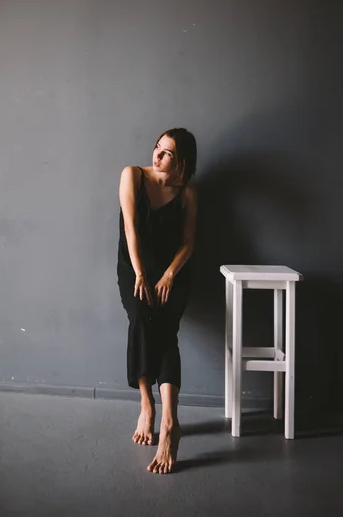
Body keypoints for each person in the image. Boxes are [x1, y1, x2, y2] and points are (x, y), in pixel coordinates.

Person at [117, 127, 197, 474]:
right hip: (134, 267)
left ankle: (170, 424)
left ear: (181, 162)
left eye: (167, 153)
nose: (157, 155)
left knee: (166, 330)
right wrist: (140, 274)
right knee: (140, 317)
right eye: (157, 148)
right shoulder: (132, 176)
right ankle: (146, 403)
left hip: (171, 274)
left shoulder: (188, 194)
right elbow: (131, 228)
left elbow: (188, 244)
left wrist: (168, 275)